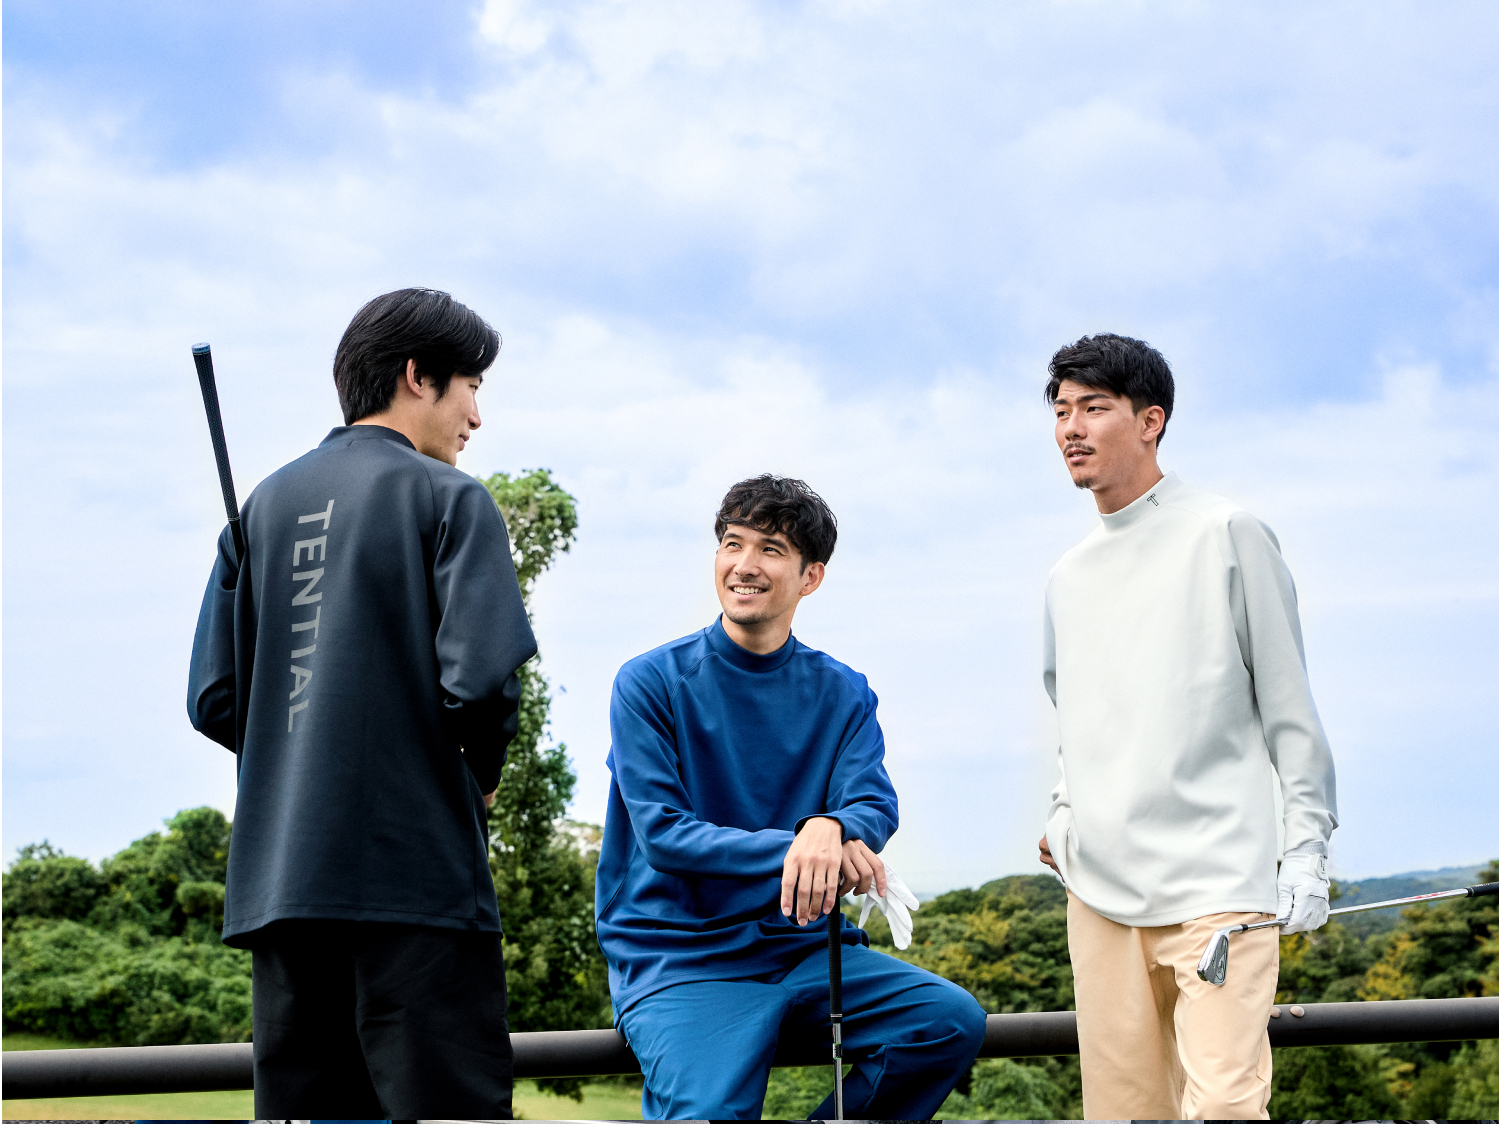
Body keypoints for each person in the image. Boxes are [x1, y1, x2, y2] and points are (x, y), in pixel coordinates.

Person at [187, 288, 535, 1119]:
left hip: (281, 889)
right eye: (471, 387)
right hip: (416, 886)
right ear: (418, 376)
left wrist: (302, 743)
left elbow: (215, 698)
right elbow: (481, 682)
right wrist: (481, 777)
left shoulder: (260, 509)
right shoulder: (450, 497)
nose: (476, 416)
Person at [595, 474, 987, 1121]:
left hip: (799, 948)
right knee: (709, 1115)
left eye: (770, 549)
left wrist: (830, 828)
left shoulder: (843, 691)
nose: (744, 565)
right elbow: (663, 834)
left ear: (811, 577)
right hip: (683, 958)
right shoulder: (650, 682)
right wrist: (805, 844)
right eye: (732, 543)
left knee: (945, 1023)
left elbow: (871, 802)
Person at [1036, 334, 1338, 1119]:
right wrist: (1064, 813)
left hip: (1218, 886)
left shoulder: (1227, 532)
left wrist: (1306, 849)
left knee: (1226, 1109)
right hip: (1098, 894)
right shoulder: (1066, 576)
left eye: (1093, 408)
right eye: (1061, 411)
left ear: (1150, 421)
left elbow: (1289, 709)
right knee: (1124, 1113)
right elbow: (1076, 721)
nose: (1071, 428)